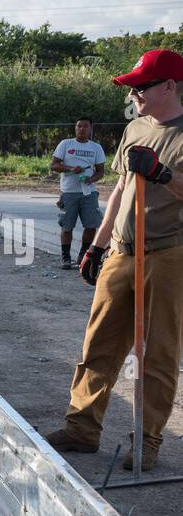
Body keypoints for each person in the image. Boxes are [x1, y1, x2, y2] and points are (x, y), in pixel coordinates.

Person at [45, 50, 183, 472]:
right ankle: (82, 429)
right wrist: (98, 246)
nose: (134, 93)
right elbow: (121, 187)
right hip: (123, 248)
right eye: (132, 87)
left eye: (141, 87)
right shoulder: (135, 127)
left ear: (170, 87)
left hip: (168, 251)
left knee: (157, 352)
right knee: (98, 342)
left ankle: (148, 441)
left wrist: (163, 174)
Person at [50, 118, 106, 269]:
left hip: (89, 193)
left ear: (90, 129)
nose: (82, 129)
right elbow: (54, 165)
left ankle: (83, 255)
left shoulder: (96, 148)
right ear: (75, 128)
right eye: (79, 126)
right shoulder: (66, 144)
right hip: (68, 192)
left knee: (91, 225)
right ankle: (65, 257)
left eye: (85, 126)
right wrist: (69, 169)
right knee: (67, 226)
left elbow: (101, 171)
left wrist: (91, 179)